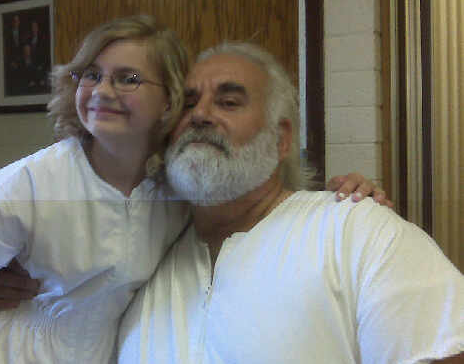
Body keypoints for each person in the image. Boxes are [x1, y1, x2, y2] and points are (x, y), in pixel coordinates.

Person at [0, 15, 388, 364]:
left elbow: (253, 191)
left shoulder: (176, 189)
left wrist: (350, 190)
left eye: (128, 78)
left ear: (170, 101)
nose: (103, 89)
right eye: (91, 74)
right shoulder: (28, 185)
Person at [117, 42, 464, 363]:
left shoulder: (356, 232)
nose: (200, 115)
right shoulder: (139, 260)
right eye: (188, 104)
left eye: (229, 102)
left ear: (280, 139)